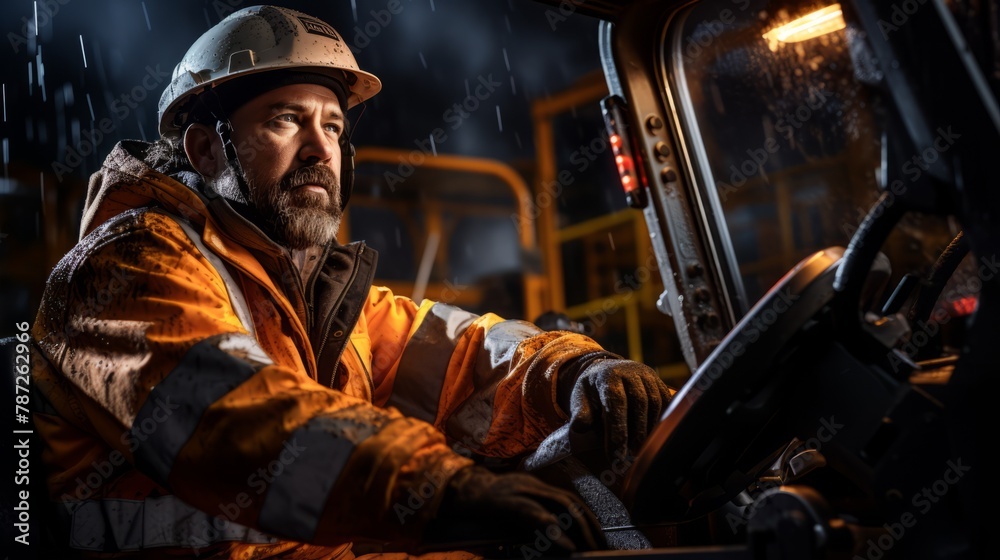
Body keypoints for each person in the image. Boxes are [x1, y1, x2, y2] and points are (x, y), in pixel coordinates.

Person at [30, 5, 673, 559]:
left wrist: (575, 373)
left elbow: (466, 357)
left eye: (332, 125)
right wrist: (442, 490)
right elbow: (236, 422)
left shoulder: (320, 294)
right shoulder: (126, 268)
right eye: (285, 119)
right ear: (206, 151)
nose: (319, 148)